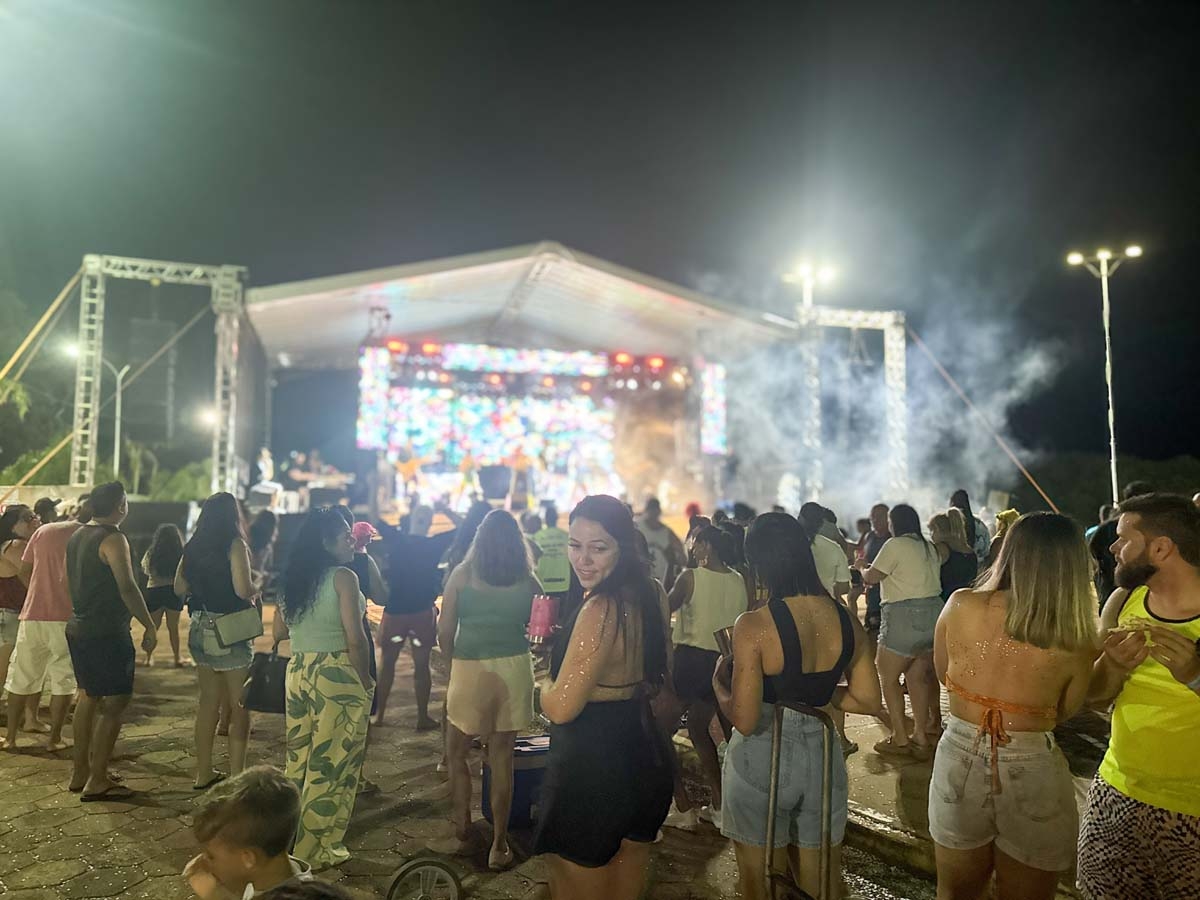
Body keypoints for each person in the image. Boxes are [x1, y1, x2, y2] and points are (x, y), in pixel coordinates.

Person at [713, 512, 882, 900]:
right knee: (821, 883)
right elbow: (869, 700)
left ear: (759, 563)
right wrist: (816, 693)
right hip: (822, 757)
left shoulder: (753, 625)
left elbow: (745, 718)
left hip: (762, 754)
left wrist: (718, 688)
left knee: (760, 883)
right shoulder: (845, 620)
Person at [930, 512, 1098, 899]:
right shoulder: (1077, 636)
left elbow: (943, 673)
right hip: (1032, 762)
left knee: (955, 893)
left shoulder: (960, 604)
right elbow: (1065, 711)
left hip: (960, 752)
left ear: (1009, 552)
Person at [534, 495, 673, 900]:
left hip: (594, 768)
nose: (583, 560)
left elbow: (561, 707)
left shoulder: (601, 607)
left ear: (622, 547)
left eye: (598, 548)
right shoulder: (650, 593)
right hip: (643, 751)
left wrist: (543, 682)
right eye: (575, 545)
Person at [1078, 493, 1200, 899]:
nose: (1113, 547)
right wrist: (1112, 666)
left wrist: (1195, 677)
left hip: (1191, 810)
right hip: (1116, 792)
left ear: (1161, 548)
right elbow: (1095, 699)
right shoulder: (1123, 601)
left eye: (1124, 538)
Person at [432, 509, 538, 869]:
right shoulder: (528, 580)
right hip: (514, 669)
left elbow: (445, 631)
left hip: (470, 668)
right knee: (502, 757)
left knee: (456, 751)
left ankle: (462, 825)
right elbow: (542, 624)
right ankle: (499, 844)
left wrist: (452, 664)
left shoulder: (462, 575)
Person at [275, 508, 373, 870]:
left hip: (298, 670)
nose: (352, 540)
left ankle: (284, 840)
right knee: (330, 764)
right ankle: (314, 851)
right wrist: (364, 679)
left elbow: (278, 632)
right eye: (346, 536)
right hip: (336, 673)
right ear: (325, 541)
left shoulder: (292, 579)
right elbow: (355, 639)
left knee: (298, 762)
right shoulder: (344, 578)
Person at [64, 482, 156, 799]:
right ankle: (98, 779)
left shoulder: (77, 535)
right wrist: (149, 625)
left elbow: (67, 581)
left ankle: (80, 772)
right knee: (115, 703)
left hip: (79, 627)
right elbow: (127, 586)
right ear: (120, 506)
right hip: (106, 632)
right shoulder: (113, 538)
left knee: (88, 696)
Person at [662, 525, 749, 832]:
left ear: (708, 546)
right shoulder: (738, 579)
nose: (693, 548)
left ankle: (683, 805)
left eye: (697, 543)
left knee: (660, 730)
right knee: (699, 728)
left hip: (690, 660)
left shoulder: (691, 577)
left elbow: (664, 607)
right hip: (723, 661)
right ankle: (720, 804)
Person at [176, 492, 258, 790]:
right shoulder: (234, 544)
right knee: (240, 706)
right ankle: (237, 776)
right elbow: (242, 589)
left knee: (208, 703)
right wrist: (257, 586)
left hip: (200, 626)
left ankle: (203, 773)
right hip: (230, 629)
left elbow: (178, 587)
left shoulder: (193, 545)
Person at [4, 497, 90, 751]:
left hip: (32, 614)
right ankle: (54, 739)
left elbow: (24, 570)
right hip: (66, 616)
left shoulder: (44, 532)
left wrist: (38, 591)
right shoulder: (91, 536)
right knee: (63, 679)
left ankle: (10, 738)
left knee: (21, 676)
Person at [858, 503, 943, 760]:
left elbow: (871, 578)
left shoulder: (894, 545)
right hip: (933, 615)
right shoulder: (928, 546)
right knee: (917, 677)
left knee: (888, 677)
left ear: (895, 523)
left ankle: (900, 738)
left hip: (903, 616)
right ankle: (920, 735)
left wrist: (861, 567)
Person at [375, 503, 460, 729]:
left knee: (388, 663)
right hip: (421, 613)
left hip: (396, 613)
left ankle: (380, 716)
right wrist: (446, 509)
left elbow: (374, 516)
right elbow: (463, 527)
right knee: (420, 665)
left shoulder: (396, 538)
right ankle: (422, 717)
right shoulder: (435, 543)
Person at [184, 765, 313, 899]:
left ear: (248, 859)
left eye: (211, 856)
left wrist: (216, 896)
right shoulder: (269, 875)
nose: (202, 862)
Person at [0, 504, 40, 720]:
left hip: (12, 613)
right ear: (13, 526)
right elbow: (32, 579)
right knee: (5, 668)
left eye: (34, 515)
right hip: (10, 614)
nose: (35, 520)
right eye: (27, 518)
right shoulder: (16, 546)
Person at [141, 523, 187, 667]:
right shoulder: (181, 553)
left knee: (153, 627)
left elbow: (146, 570)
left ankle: (148, 658)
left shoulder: (152, 553)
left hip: (154, 591)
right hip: (173, 591)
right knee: (173, 627)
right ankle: (177, 658)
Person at [799, 503, 852, 604]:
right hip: (825, 605)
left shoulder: (788, 547)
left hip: (795, 606)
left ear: (799, 519)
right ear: (821, 523)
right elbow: (844, 586)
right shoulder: (834, 548)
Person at [635, 496, 686, 590]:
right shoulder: (637, 527)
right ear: (647, 511)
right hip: (639, 581)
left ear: (659, 512)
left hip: (661, 583)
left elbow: (682, 558)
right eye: (651, 511)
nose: (653, 515)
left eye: (655, 511)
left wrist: (675, 561)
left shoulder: (667, 533)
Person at [929, 511, 979, 601]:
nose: (931, 535)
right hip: (965, 601)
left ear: (937, 529)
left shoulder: (941, 549)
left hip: (945, 601)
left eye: (931, 530)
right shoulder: (970, 552)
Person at [531, 505, 571, 602]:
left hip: (543, 585)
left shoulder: (537, 537)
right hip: (564, 584)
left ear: (545, 519)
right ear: (556, 518)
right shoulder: (566, 536)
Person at [861, 504, 890, 634]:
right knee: (871, 630)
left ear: (888, 518)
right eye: (872, 517)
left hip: (888, 595)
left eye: (879, 516)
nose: (875, 520)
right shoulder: (870, 536)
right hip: (872, 592)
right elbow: (865, 558)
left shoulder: (893, 539)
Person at [949, 490, 991, 565]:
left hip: (952, 568)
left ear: (951, 504)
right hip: (977, 569)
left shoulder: (947, 524)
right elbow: (986, 552)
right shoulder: (981, 525)